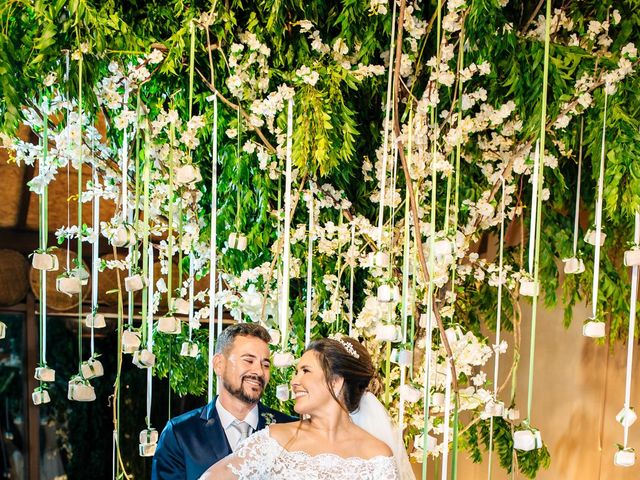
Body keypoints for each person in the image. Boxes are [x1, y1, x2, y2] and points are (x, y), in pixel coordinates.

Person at [198, 336, 415, 480]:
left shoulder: (377, 457)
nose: (294, 381)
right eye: (296, 371)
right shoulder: (275, 440)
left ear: (335, 382)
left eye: (305, 371)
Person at [152, 323, 296, 480]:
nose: (259, 371)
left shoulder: (290, 429)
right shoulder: (180, 433)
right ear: (219, 364)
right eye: (249, 361)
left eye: (265, 364)